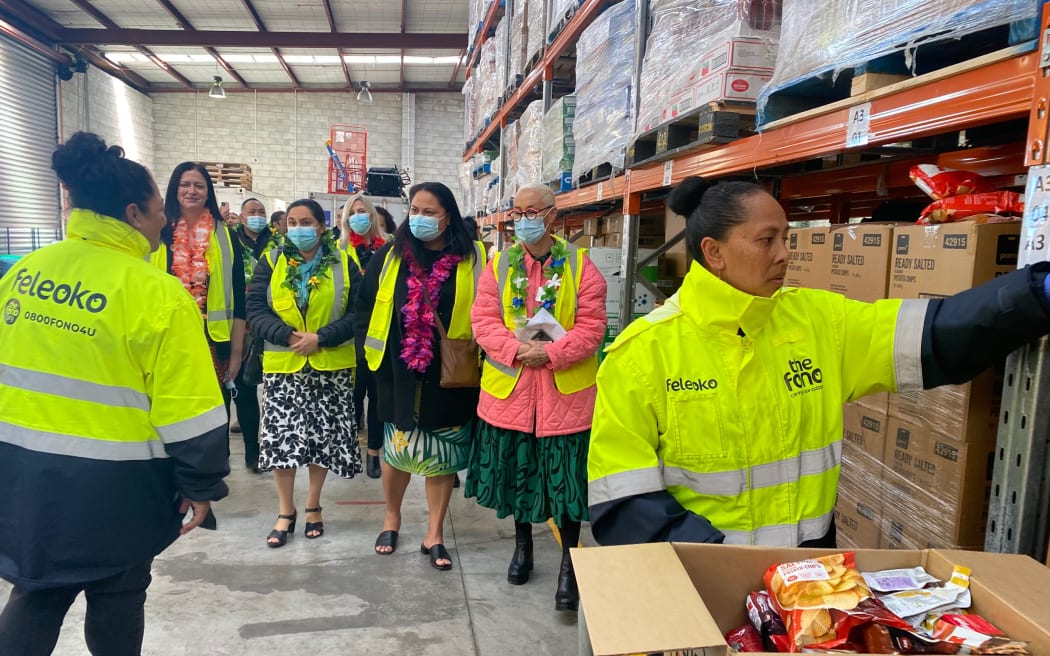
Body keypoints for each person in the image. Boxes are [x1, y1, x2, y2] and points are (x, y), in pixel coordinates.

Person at [587, 176, 1050, 548]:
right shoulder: (643, 354)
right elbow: (623, 499)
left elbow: (933, 333)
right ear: (714, 252)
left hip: (810, 577)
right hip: (701, 578)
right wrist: (718, 565)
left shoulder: (818, 321)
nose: (786, 253)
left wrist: (1032, 295)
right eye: (767, 240)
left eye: (787, 237)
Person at [0, 132, 229, 655]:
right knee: (120, 595)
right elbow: (188, 408)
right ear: (132, 213)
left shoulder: (24, 275)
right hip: (116, 482)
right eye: (156, 209)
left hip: (22, 473)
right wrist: (201, 484)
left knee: (35, 593)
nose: (165, 220)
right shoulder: (157, 294)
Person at [467, 183, 607, 612]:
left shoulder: (581, 266)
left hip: (564, 397)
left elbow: (592, 324)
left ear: (551, 214)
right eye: (518, 211)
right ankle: (522, 545)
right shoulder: (499, 264)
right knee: (519, 478)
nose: (524, 218)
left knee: (565, 487)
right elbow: (483, 318)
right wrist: (514, 350)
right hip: (510, 394)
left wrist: (551, 352)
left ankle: (569, 561)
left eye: (533, 211)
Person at [356, 182, 486, 571]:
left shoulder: (473, 256)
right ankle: (392, 518)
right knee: (397, 450)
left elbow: (489, 306)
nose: (419, 218)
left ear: (448, 216)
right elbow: (364, 305)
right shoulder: (391, 256)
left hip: (449, 370)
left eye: (429, 212)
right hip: (397, 369)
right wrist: (372, 351)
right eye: (415, 210)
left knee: (442, 454)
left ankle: (435, 532)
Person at [247, 199, 362, 547]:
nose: (299, 228)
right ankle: (286, 510)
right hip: (284, 368)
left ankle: (313, 504)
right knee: (283, 441)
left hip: (331, 366)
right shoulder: (271, 261)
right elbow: (254, 308)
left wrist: (322, 338)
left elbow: (358, 311)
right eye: (292, 221)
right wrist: (287, 336)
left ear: (322, 227)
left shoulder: (344, 262)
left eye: (307, 221)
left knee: (322, 440)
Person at [153, 162, 247, 416]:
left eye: (199, 185)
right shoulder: (157, 232)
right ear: (174, 189)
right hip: (167, 337)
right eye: (185, 184)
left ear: (208, 192)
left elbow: (239, 296)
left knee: (216, 414)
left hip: (216, 342)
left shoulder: (226, 235)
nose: (191, 190)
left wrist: (236, 354)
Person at [339, 193, 393, 478]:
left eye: (363, 211)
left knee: (378, 395)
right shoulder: (339, 249)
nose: (359, 216)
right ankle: (349, 449)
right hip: (350, 334)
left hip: (382, 333)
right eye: (353, 212)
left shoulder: (392, 246)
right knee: (353, 395)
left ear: (373, 215)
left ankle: (374, 452)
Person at [227, 197, 272, 473]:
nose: (257, 216)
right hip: (237, 325)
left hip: (267, 327)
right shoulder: (231, 243)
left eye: (261, 212)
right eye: (252, 212)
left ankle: (260, 450)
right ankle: (246, 454)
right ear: (242, 217)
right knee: (241, 390)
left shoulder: (277, 243)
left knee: (261, 389)